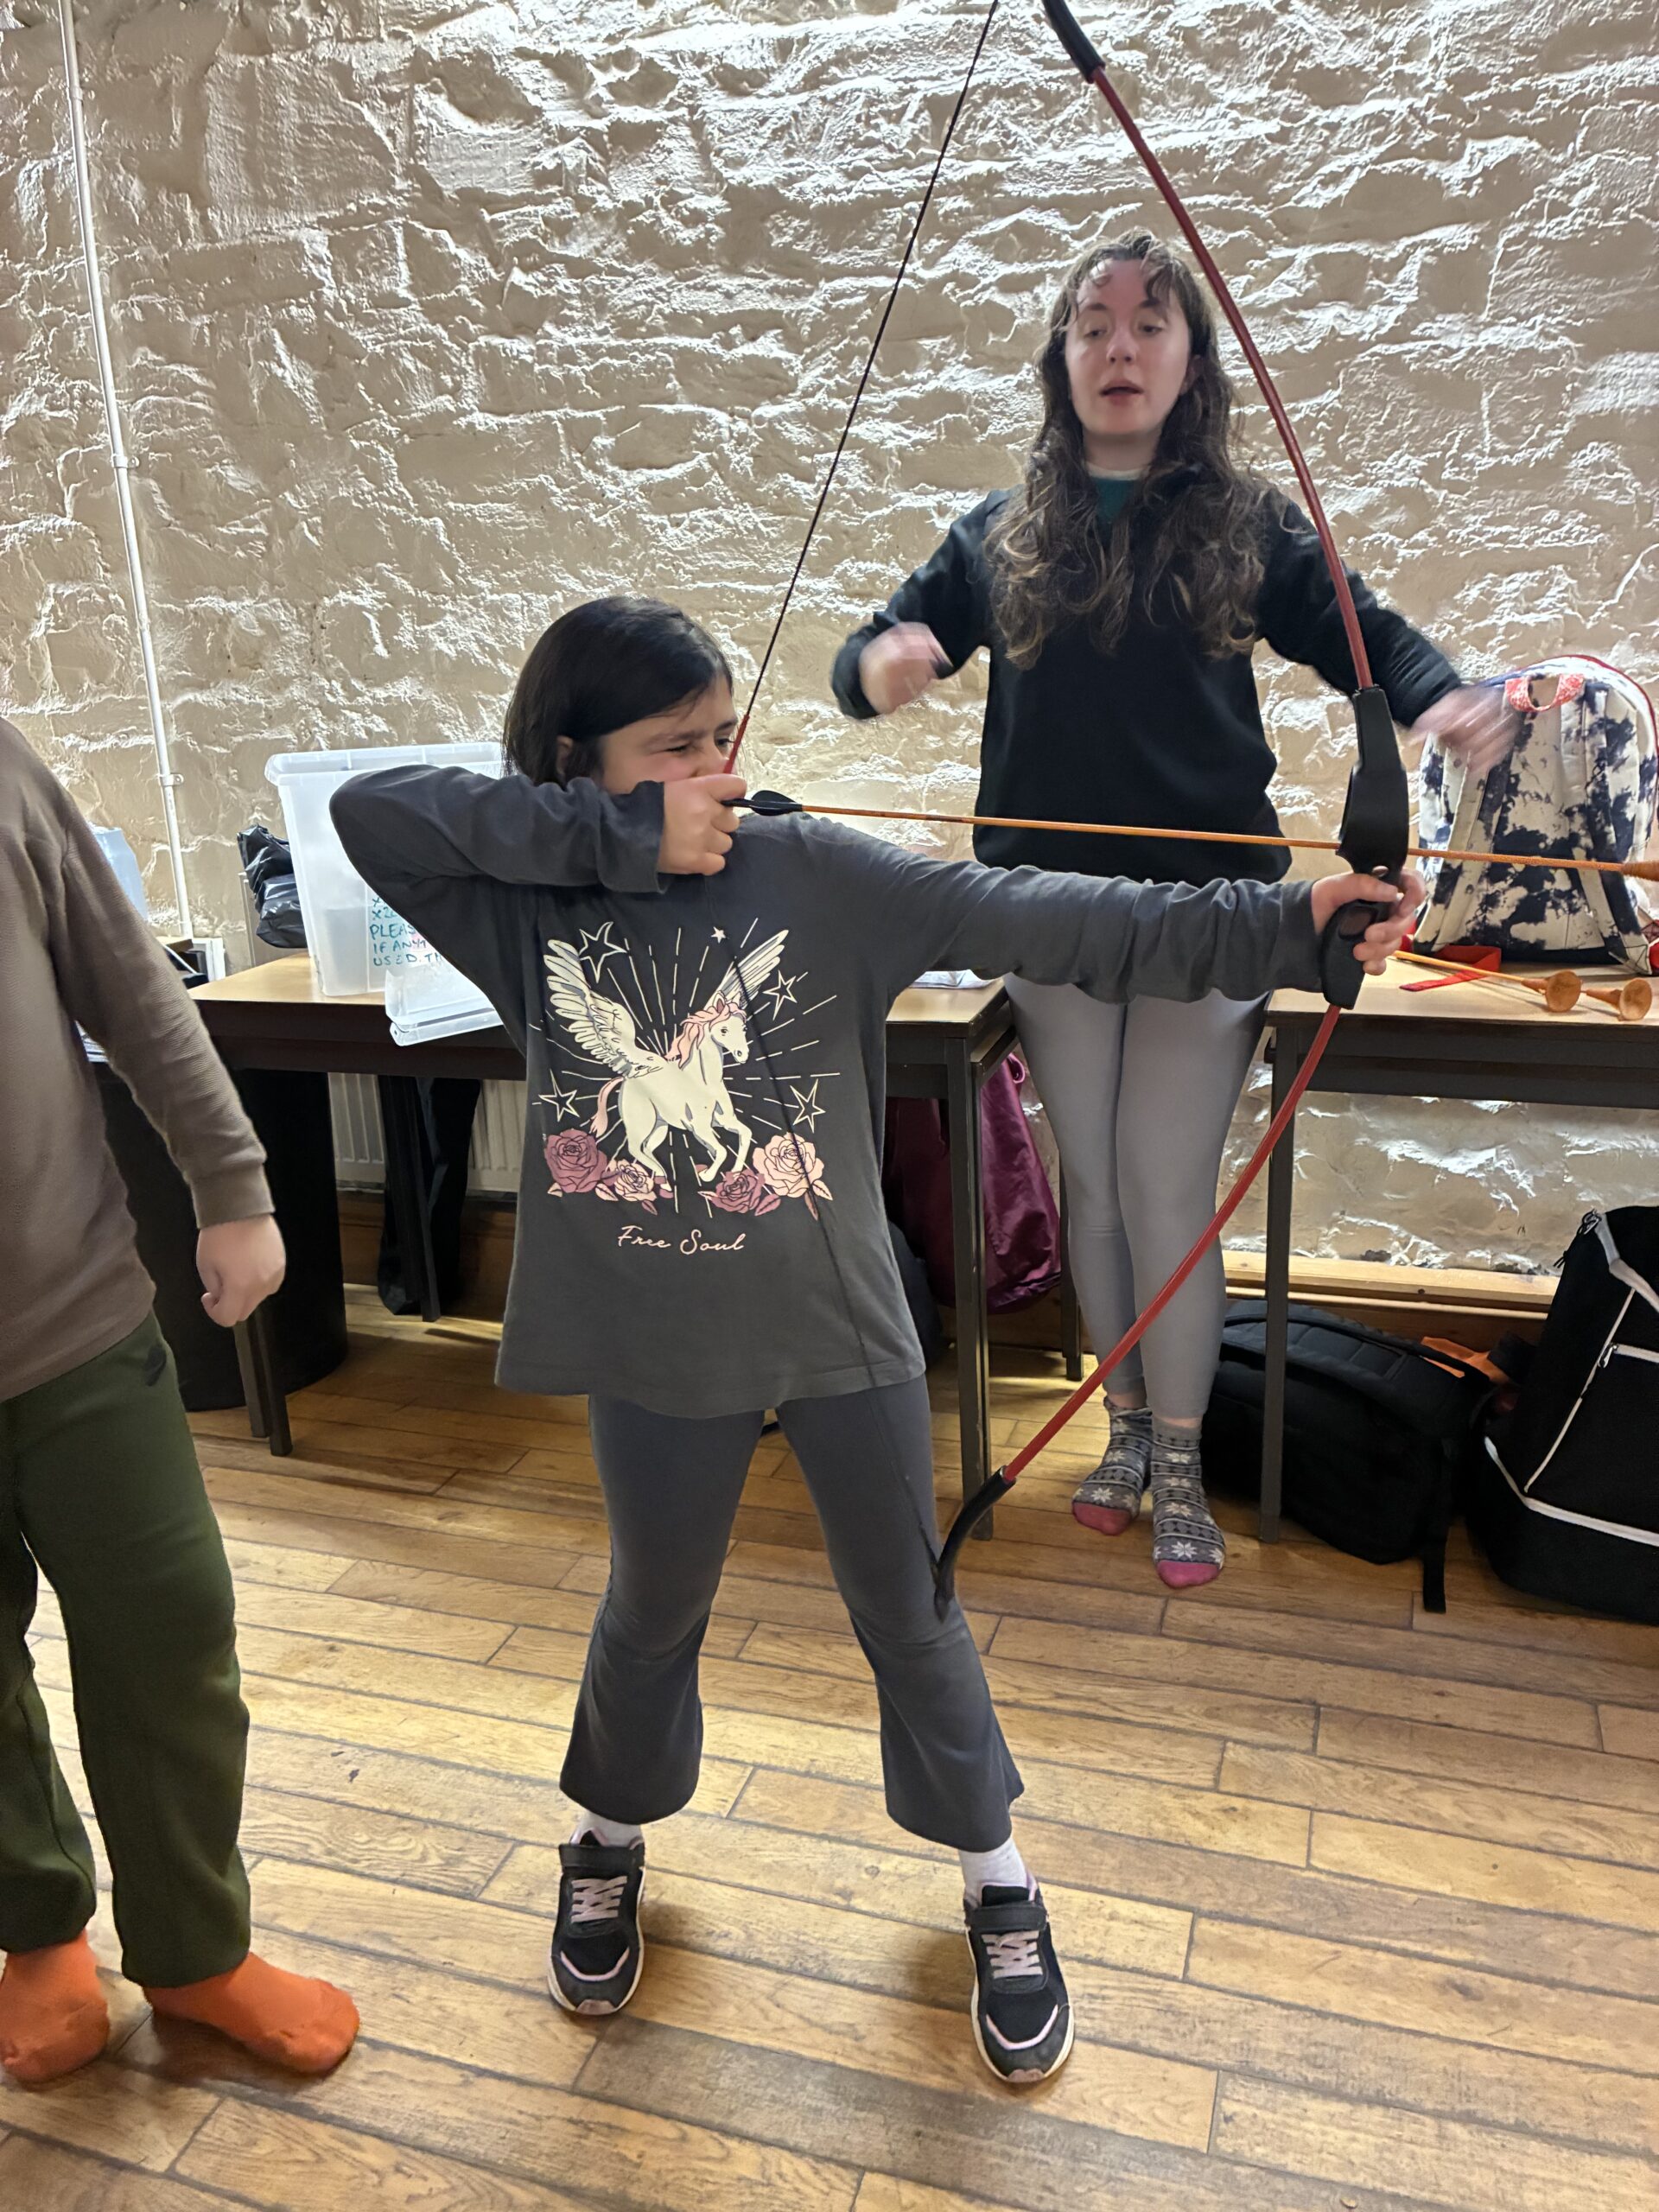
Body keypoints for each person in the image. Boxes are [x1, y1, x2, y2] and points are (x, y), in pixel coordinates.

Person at [331, 594, 1416, 2083]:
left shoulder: (812, 869)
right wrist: (617, 841)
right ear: (577, 763)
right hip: (653, 1339)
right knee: (652, 1607)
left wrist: (1285, 924)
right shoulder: (526, 900)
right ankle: (605, 1840)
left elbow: (1050, 913)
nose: (718, 773)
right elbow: (371, 813)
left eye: (726, 737)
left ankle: (997, 1879)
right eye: (674, 749)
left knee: (909, 1606)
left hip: (841, 1327)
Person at [832, 233, 1512, 1588]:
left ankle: (1187, 1453)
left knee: (1163, 1185)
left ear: (1191, 361)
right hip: (1050, 907)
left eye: (1150, 324)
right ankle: (1128, 1428)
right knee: (1092, 1186)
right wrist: (880, 663)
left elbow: (1362, 630)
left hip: (1210, 913)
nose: (1120, 347)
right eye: (1092, 324)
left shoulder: (1245, 524)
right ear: (1061, 358)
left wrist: (1439, 697)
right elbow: (868, 657)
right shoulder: (998, 532)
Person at [0, 717, 359, 2085]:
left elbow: (136, 995)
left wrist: (232, 1184)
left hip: (80, 1320)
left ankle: (195, 1946)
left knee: (171, 1633)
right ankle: (37, 1929)